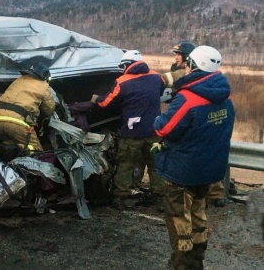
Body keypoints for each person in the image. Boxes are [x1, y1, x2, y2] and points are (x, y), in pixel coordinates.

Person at [153, 46, 235, 270]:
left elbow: (164, 129)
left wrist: (158, 118)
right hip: (209, 171)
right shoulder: (224, 97)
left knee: (180, 221)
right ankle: (196, 261)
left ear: (193, 66)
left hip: (183, 172)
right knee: (198, 216)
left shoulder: (188, 98)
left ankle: (181, 265)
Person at [90, 50, 165, 210]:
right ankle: (160, 198)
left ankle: (121, 198)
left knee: (126, 164)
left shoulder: (122, 82)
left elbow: (105, 103)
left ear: (125, 65)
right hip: (154, 131)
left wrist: (96, 98)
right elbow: (159, 92)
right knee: (156, 165)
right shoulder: (156, 77)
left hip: (132, 132)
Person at [163, 41, 227, 208]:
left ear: (189, 59)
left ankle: (214, 193)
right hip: (186, 112)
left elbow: (167, 81)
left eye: (178, 55)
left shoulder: (186, 74)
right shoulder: (215, 82)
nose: (175, 58)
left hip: (192, 113)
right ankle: (207, 196)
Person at [0, 62, 56, 153]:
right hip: (17, 123)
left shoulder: (18, 80)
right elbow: (49, 109)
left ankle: (9, 154)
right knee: (36, 150)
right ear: (45, 76)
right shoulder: (44, 86)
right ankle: (18, 150)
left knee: (7, 146)